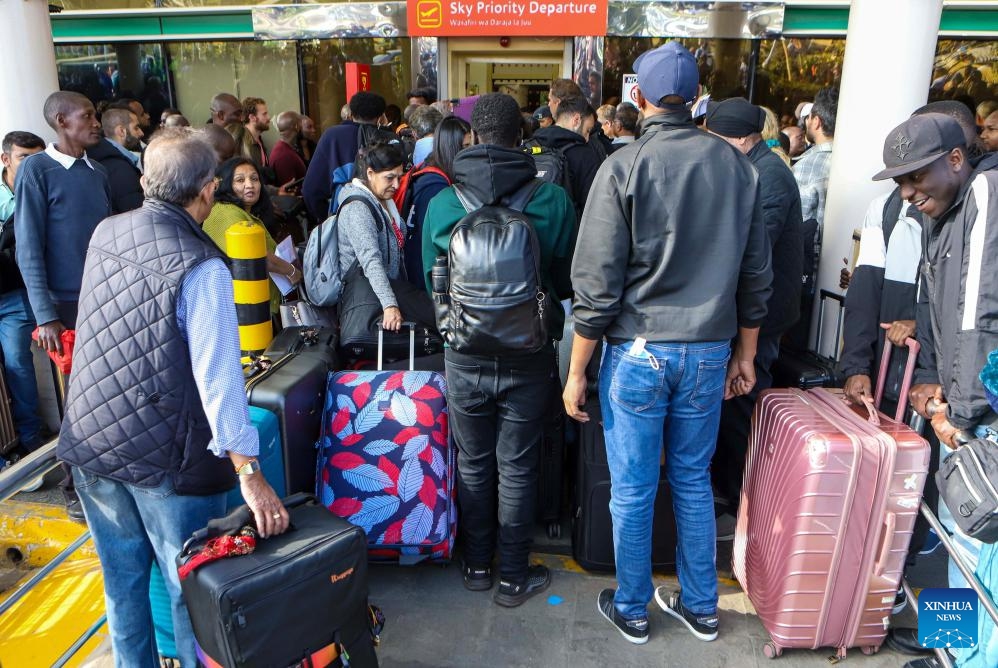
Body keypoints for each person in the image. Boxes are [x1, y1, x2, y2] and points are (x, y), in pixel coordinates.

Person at [562, 41, 771, 645]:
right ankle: (702, 607)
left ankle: (632, 607)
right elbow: (756, 277)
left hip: (637, 351)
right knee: (692, 479)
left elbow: (596, 287)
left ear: (638, 97)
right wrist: (747, 355)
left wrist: (577, 372)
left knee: (632, 486)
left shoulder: (622, 166)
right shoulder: (738, 167)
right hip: (709, 350)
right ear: (698, 99)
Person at [57, 127, 289, 668]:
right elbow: (218, 380)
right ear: (208, 190)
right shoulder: (202, 266)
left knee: (122, 586)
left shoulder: (107, 231)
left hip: (91, 443)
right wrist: (249, 474)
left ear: (145, 181)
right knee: (192, 595)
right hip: (167, 459)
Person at [422, 93, 575, 607]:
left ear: (472, 137)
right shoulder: (550, 200)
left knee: (473, 462)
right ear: (521, 135)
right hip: (529, 353)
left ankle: (476, 565)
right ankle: (513, 576)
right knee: (519, 464)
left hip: (463, 354)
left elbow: (431, 281)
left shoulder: (444, 203)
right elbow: (563, 279)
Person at [872, 113, 998, 668]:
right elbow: (939, 308)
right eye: (900, 182)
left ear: (954, 159)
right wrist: (933, 384)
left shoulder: (986, 193)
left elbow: (978, 313)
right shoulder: (940, 216)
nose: (908, 192)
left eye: (916, 177)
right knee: (956, 536)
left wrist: (961, 413)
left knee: (982, 547)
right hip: (960, 404)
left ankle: (973, 660)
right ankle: (949, 650)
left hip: (982, 411)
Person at [15, 91, 112, 521]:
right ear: (60, 120)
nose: (96, 122)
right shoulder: (37, 170)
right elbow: (28, 247)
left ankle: (104, 477)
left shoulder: (96, 171)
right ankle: (75, 488)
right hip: (65, 308)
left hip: (105, 299)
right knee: (78, 402)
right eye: (87, 115)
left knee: (107, 394)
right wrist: (45, 314)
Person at [705, 97, 801, 523]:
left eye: (720, 142)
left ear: (746, 140)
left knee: (744, 404)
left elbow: (750, 254)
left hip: (760, 317)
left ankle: (743, 504)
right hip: (745, 311)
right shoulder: (750, 167)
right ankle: (729, 493)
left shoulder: (770, 176)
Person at [333, 142, 435, 331]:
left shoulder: (384, 200)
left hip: (391, 287)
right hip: (370, 294)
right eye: (389, 178)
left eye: (399, 177)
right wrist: (390, 305)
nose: (396, 185)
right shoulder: (358, 209)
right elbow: (370, 260)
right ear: (370, 173)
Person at [202, 157, 300, 316]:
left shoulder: (235, 210)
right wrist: (292, 271)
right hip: (247, 312)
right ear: (226, 184)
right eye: (240, 180)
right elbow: (258, 256)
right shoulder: (226, 214)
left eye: (254, 179)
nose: (250, 185)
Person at [0, 131, 45, 467]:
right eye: (23, 158)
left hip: (17, 294)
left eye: (36, 158)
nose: (31, 166)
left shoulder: (39, 189)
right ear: (6, 159)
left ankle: (31, 442)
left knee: (19, 365)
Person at [400, 115, 470, 286]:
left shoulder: (427, 169)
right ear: (453, 148)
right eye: (466, 146)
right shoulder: (435, 186)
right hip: (424, 280)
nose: (471, 151)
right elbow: (429, 241)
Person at [303, 92, 390, 219]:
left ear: (351, 114)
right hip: (383, 218)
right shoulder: (387, 140)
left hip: (342, 218)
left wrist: (327, 221)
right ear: (380, 117)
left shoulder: (332, 136)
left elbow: (310, 190)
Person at [529, 94, 606, 220]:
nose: (587, 139)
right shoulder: (585, 154)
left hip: (529, 231)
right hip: (566, 232)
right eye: (587, 130)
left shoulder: (531, 144)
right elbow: (592, 207)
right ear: (576, 120)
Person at [88, 107, 145, 214]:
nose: (141, 133)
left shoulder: (103, 157)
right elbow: (136, 213)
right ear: (121, 131)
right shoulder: (119, 168)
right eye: (136, 128)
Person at [231, 97, 271, 172]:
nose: (269, 117)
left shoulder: (258, 140)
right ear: (252, 117)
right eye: (264, 114)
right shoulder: (241, 144)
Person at [269, 111, 307, 187]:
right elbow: (289, 191)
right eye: (302, 124)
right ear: (296, 126)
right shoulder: (283, 156)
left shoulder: (285, 149)